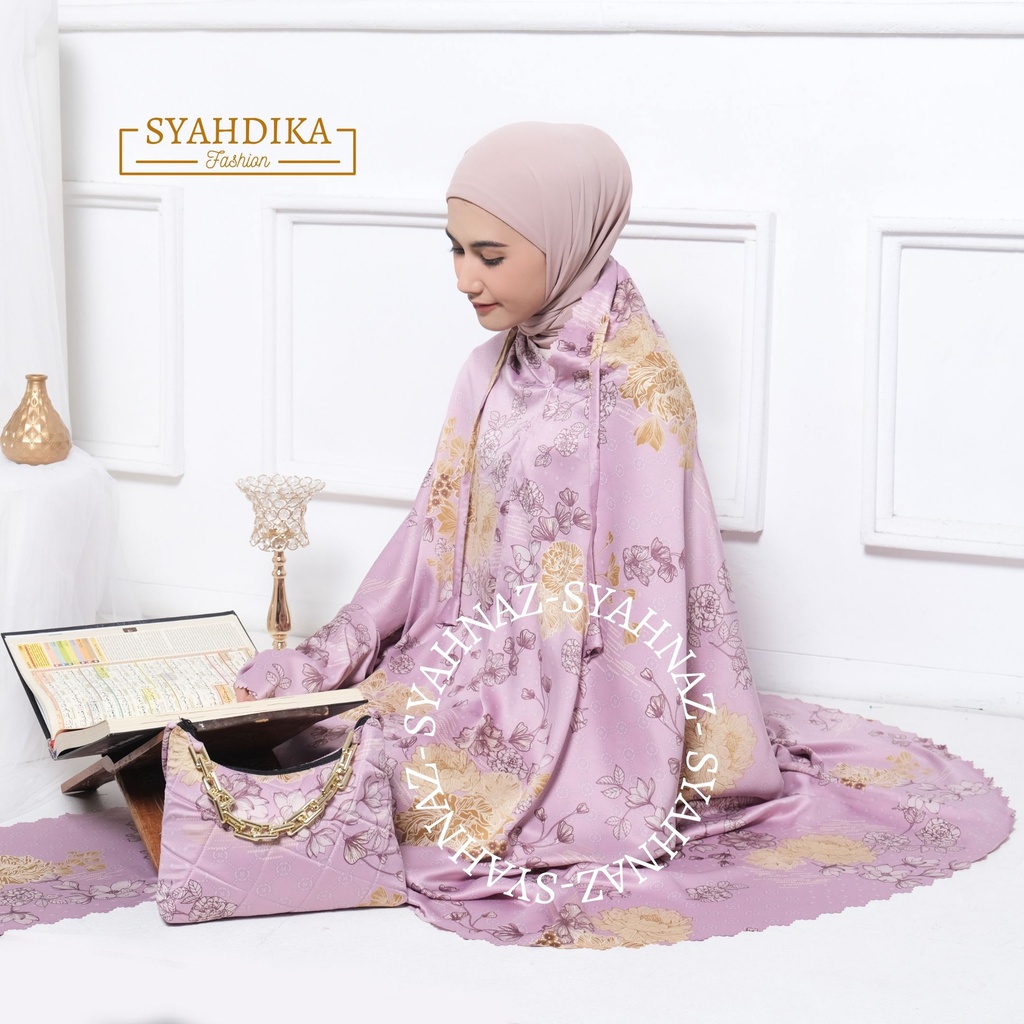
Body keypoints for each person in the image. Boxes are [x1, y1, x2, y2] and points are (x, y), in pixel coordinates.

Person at [235, 122, 1012, 948]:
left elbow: (651, 592)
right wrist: (334, 653)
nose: (465, 278)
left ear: (571, 239)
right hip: (471, 658)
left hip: (587, 687)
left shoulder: (638, 389)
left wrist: (538, 712)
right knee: (324, 752)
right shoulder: (489, 369)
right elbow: (428, 534)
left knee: (422, 795)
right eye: (456, 250)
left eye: (491, 255)